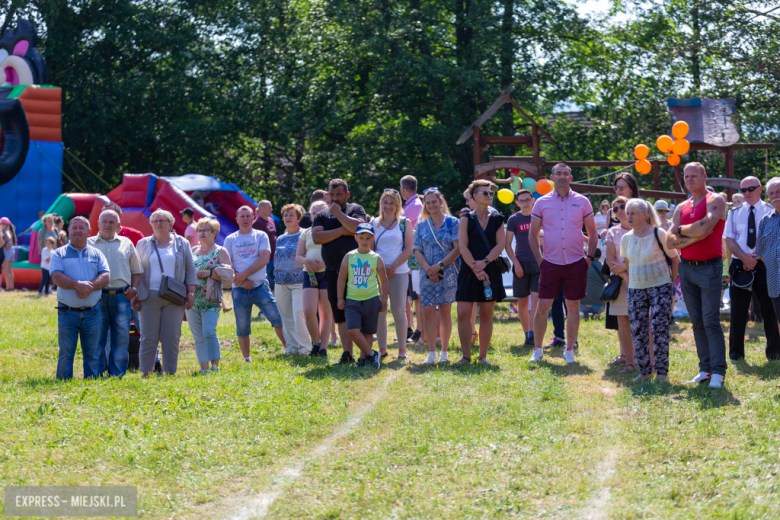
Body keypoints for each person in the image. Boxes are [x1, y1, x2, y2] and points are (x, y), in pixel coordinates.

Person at [666, 162, 728, 388]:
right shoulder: (681, 206)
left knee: (710, 320)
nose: (689, 179)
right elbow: (669, 240)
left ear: (704, 176)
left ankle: (718, 371)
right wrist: (692, 234)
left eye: (694, 175)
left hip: (710, 268)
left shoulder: (715, 200)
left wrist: (682, 231)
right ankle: (705, 369)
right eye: (686, 176)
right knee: (697, 321)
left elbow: (705, 229)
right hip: (687, 268)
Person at [529, 163, 598, 363]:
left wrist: (589, 259)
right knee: (543, 307)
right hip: (550, 262)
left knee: (573, 307)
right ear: (552, 177)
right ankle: (538, 350)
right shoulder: (541, 202)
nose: (561, 176)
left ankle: (569, 350)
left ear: (571, 177)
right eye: (558, 173)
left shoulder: (582, 201)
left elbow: (592, 233)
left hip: (577, 261)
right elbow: (533, 234)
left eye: (565, 173)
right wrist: (540, 260)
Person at [131, 209, 197, 376]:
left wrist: (191, 293)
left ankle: (170, 373)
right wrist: (135, 293)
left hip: (174, 296)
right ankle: (146, 373)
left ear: (171, 224)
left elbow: (190, 269)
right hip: (148, 295)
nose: (159, 223)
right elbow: (136, 270)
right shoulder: (143, 243)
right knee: (148, 337)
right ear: (151, 224)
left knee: (171, 337)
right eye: (155, 221)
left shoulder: (182, 243)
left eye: (163, 220)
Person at [623, 199, 680, 382]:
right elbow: (627, 264)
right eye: (627, 212)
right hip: (636, 289)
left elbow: (675, 259)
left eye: (633, 213)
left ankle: (662, 373)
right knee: (638, 329)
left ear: (644, 214)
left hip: (660, 287)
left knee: (659, 328)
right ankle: (645, 371)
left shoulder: (659, 233)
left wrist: (671, 283)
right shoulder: (626, 238)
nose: (628, 216)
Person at [312, 179, 367, 365]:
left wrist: (339, 215)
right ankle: (347, 354)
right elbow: (317, 237)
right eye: (332, 195)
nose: (335, 199)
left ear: (347, 195)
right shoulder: (321, 215)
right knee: (340, 313)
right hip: (333, 272)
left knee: (360, 311)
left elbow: (359, 229)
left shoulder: (356, 209)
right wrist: (344, 230)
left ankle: (364, 355)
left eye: (339, 195)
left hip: (357, 270)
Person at [725, 176, 780, 361]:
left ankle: (774, 352)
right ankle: (736, 354)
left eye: (751, 188)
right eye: (743, 190)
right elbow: (729, 239)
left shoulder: (772, 210)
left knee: (770, 309)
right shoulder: (734, 212)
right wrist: (743, 258)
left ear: (760, 189)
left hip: (764, 263)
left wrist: (755, 258)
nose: (747, 193)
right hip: (740, 264)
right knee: (737, 311)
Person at [49, 217, 111, 380]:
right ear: (68, 231)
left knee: (92, 352)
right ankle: (63, 383)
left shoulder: (97, 254)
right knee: (66, 352)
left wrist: (88, 286)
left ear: (88, 231)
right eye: (74, 228)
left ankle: (91, 382)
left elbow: (105, 276)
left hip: (92, 312)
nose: (77, 231)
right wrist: (78, 285)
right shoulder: (59, 254)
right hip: (67, 312)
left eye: (81, 228)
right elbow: (56, 277)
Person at [224, 205, 286, 362]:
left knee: (276, 318)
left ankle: (289, 348)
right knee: (242, 326)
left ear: (253, 218)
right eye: (242, 216)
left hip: (260, 286)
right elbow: (225, 264)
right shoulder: (230, 239)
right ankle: (247, 359)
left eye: (248, 216)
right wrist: (243, 280)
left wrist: (245, 274)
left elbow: (265, 258)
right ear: (236, 219)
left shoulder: (261, 236)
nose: (245, 219)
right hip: (239, 288)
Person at [88, 209, 143, 378]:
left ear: (118, 226)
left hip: (121, 296)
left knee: (120, 337)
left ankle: (117, 373)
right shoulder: (88, 243)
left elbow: (136, 269)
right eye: (104, 221)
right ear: (97, 223)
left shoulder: (126, 243)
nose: (107, 225)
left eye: (112, 222)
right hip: (97, 296)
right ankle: (95, 373)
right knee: (97, 336)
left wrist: (134, 289)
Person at [456, 179, 506, 365]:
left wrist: (484, 263)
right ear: (474, 196)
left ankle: (483, 357)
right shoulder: (466, 218)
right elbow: (462, 246)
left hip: (490, 269)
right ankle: (465, 356)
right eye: (485, 193)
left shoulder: (498, 218)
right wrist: (475, 267)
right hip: (469, 271)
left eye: (490, 193)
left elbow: (500, 244)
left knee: (486, 315)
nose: (489, 195)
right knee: (462, 313)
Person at [413, 188, 460, 364]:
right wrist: (428, 269)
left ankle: (444, 352)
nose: (431, 205)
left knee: (446, 312)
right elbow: (416, 249)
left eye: (434, 201)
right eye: (428, 202)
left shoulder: (453, 222)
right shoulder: (421, 224)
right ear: (425, 204)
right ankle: (431, 352)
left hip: (447, 273)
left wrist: (439, 266)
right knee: (427, 312)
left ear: (441, 202)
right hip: (427, 274)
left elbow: (457, 248)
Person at [336, 223, 388, 369]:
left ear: (373, 239)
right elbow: (341, 278)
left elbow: (383, 279)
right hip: (352, 300)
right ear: (356, 238)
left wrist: (384, 299)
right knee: (352, 329)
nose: (364, 241)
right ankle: (372, 354)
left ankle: (363, 359)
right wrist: (340, 298)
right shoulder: (349, 256)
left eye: (368, 238)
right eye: (361, 238)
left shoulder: (376, 258)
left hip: (371, 299)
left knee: (368, 332)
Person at [187, 218, 233, 374]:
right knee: (198, 335)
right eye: (199, 230)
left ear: (214, 233)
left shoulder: (220, 251)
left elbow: (228, 277)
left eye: (205, 230)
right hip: (193, 299)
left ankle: (215, 366)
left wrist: (210, 273)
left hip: (211, 299)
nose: (201, 233)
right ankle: (204, 367)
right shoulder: (192, 251)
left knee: (208, 331)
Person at [371, 190, 413, 359]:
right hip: (378, 272)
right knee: (380, 310)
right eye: (385, 202)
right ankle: (382, 350)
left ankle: (402, 350)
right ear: (381, 203)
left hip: (399, 272)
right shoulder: (373, 222)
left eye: (392, 203)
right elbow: (370, 248)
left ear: (397, 206)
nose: (388, 206)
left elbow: (409, 248)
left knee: (399, 311)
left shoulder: (404, 222)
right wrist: (381, 268)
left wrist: (393, 266)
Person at [297, 200, 333, 358]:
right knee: (308, 311)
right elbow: (298, 256)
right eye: (314, 213)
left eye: (320, 213)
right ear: (310, 216)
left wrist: (327, 262)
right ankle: (315, 342)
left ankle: (323, 347)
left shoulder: (332, 230)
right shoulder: (305, 232)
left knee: (325, 312)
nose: (317, 216)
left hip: (327, 273)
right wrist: (307, 261)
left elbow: (338, 254)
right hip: (309, 274)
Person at [274, 204, 311, 355]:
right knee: (286, 316)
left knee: (298, 314)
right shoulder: (280, 238)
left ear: (299, 218)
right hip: (281, 282)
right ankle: (291, 348)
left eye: (291, 215)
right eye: (285, 215)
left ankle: (304, 348)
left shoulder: (305, 235)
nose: (288, 217)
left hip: (299, 281)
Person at [505, 189, 539, 347]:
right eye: (522, 201)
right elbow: (507, 244)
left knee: (537, 300)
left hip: (538, 263)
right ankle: (527, 334)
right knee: (522, 301)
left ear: (533, 200)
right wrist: (516, 263)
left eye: (528, 200)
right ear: (518, 203)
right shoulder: (514, 219)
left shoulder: (540, 216)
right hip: (521, 264)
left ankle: (533, 334)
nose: (525, 203)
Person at [605, 196, 635, 372]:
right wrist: (625, 275)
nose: (620, 210)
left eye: (622, 206)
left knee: (642, 321)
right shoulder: (612, 232)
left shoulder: (642, 229)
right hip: (621, 281)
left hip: (642, 280)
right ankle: (629, 362)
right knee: (623, 321)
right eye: (615, 209)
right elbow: (609, 259)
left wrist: (626, 266)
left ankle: (644, 359)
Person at [401, 175, 424, 344]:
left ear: (403, 189)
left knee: (417, 297)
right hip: (411, 259)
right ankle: (413, 329)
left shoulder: (413, 206)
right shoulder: (413, 205)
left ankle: (419, 330)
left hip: (414, 260)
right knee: (413, 296)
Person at [253, 201, 278, 290]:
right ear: (262, 209)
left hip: (274, 254)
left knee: (274, 274)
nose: (271, 209)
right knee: (265, 276)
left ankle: (274, 290)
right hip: (265, 256)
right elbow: (255, 242)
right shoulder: (257, 223)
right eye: (269, 208)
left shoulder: (271, 220)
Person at [580, 248, 606, 318]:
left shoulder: (583, 266)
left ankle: (586, 314)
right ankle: (596, 313)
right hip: (600, 306)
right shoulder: (603, 267)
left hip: (582, 306)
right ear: (600, 257)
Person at [0, 217, 17, 290]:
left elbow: (9, 237)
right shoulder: (10, 230)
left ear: (5, 224)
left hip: (7, 251)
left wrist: (6, 243)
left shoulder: (7, 231)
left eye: (1, 224)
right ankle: (11, 287)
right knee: (10, 270)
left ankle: (8, 287)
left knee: (6, 270)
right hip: (11, 250)